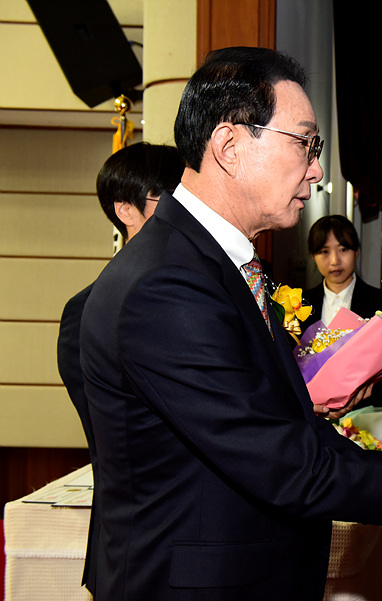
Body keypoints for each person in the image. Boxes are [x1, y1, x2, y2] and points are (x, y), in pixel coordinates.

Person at [77, 47, 382, 601]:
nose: (317, 168)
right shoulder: (166, 285)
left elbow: (298, 442)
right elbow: (291, 468)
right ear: (230, 145)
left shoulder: (216, 266)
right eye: (305, 143)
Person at [56, 142, 184, 592]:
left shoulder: (196, 292)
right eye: (167, 199)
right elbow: (111, 436)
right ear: (125, 209)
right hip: (141, 543)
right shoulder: (89, 310)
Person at [303, 214, 382, 406]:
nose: (334, 261)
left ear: (357, 252)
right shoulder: (299, 305)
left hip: (367, 416)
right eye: (324, 251)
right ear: (312, 255)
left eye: (343, 249)